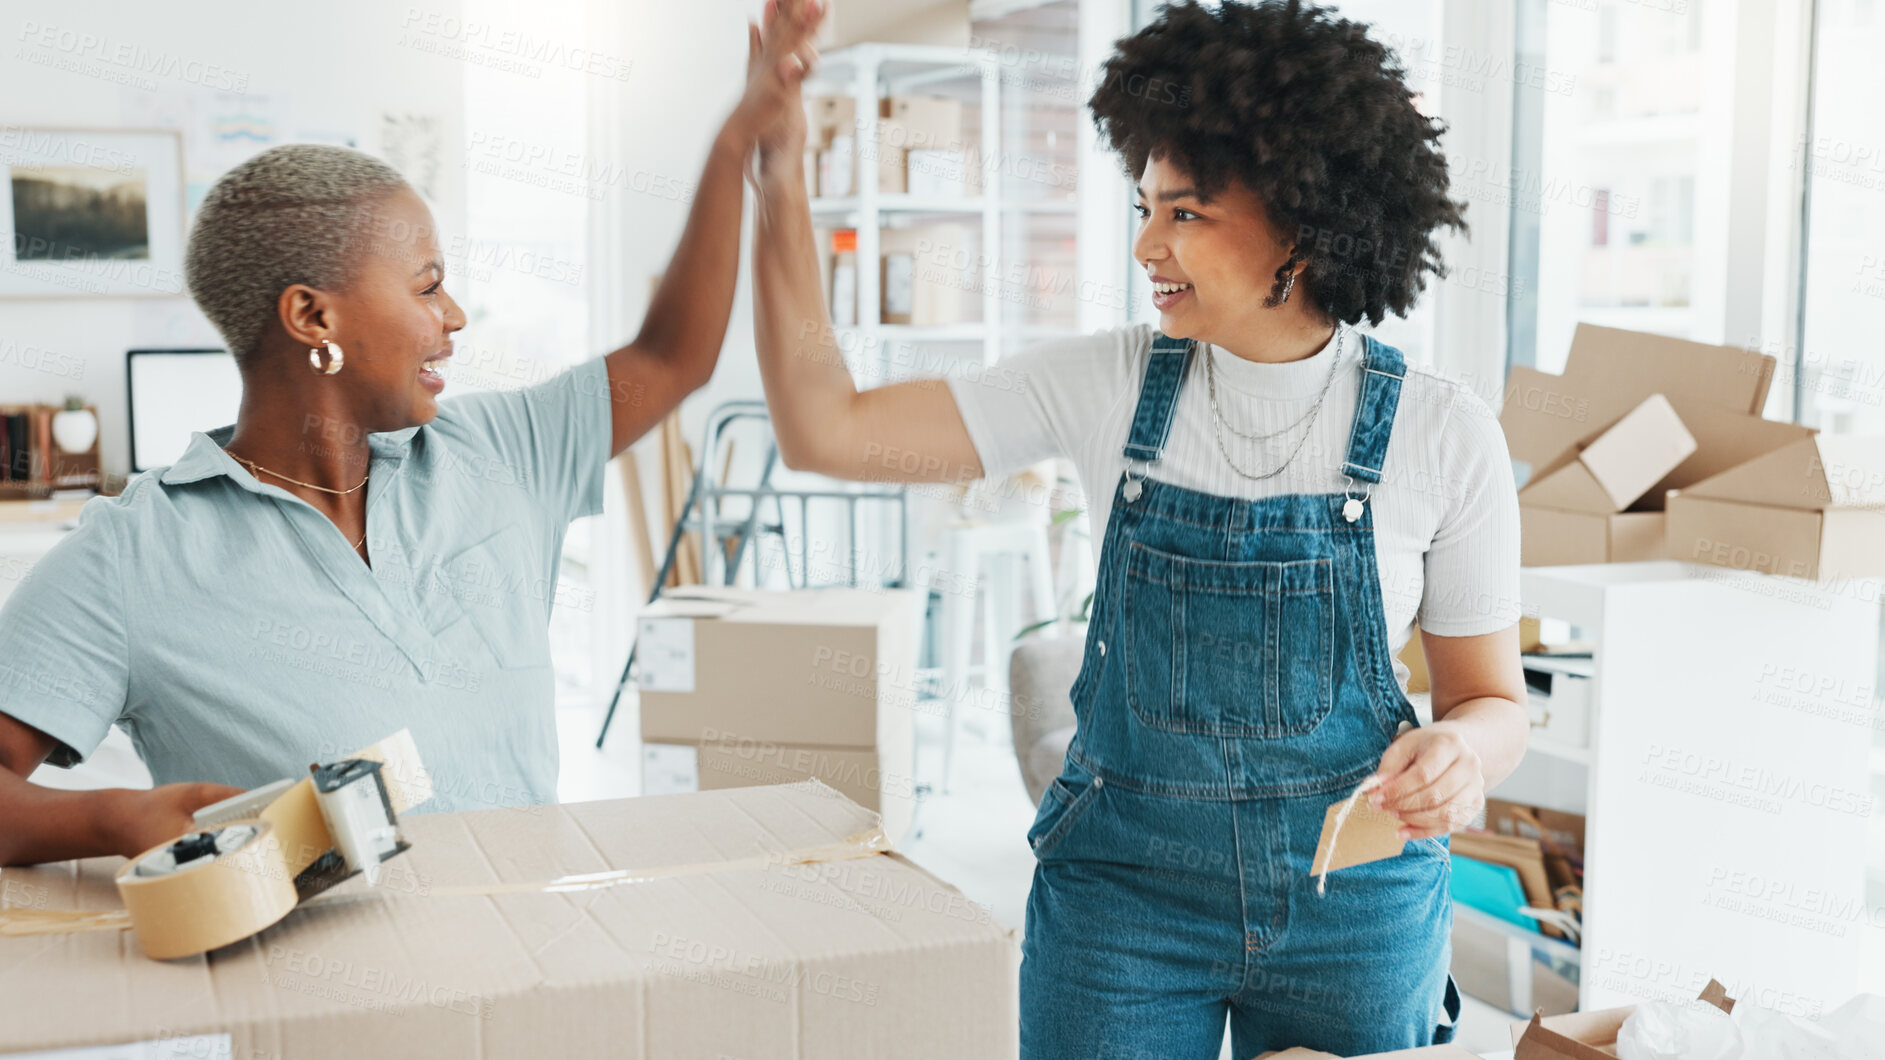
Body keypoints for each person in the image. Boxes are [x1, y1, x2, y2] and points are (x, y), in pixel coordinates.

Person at [750, 1, 1526, 1055]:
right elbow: (826, 428)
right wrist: (781, 176)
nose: (1145, 244)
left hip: (1356, 905)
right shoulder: (1104, 384)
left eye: (1186, 214)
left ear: (1303, 219)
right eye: (1145, 206)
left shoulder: (1441, 431)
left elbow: (1490, 701)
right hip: (1123, 903)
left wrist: (1463, 752)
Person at [0, 0, 827, 868]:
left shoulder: (503, 451)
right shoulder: (135, 557)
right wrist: (113, 819)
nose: (455, 314)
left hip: (530, 968)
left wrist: (741, 144)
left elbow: (672, 357)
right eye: (427, 286)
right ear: (313, 317)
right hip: (323, 1001)